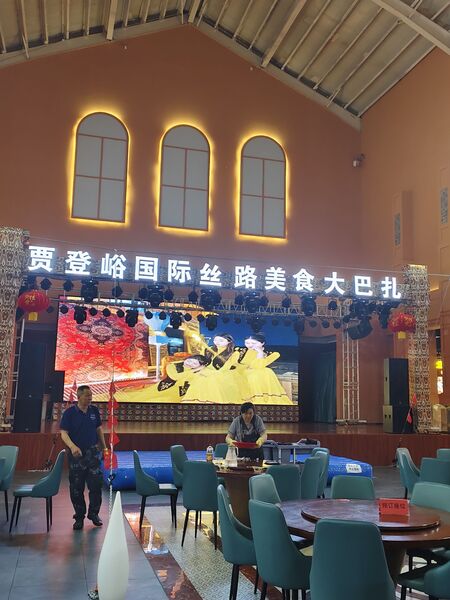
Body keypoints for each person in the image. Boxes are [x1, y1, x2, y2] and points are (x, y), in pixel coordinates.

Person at [60, 385, 107, 530]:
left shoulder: (94, 411)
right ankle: (79, 517)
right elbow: (63, 433)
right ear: (79, 396)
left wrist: (104, 447)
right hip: (77, 455)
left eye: (91, 395)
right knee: (76, 488)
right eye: (87, 395)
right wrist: (72, 446)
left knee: (96, 485)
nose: (90, 398)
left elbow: (98, 429)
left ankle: (94, 514)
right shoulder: (70, 413)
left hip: (93, 453)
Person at [240, 333, 292, 405]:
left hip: (260, 373)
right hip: (244, 371)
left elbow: (258, 365)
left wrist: (260, 353)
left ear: (262, 343)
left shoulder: (272, 354)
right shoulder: (242, 351)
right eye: (247, 343)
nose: (250, 345)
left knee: (257, 375)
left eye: (253, 343)